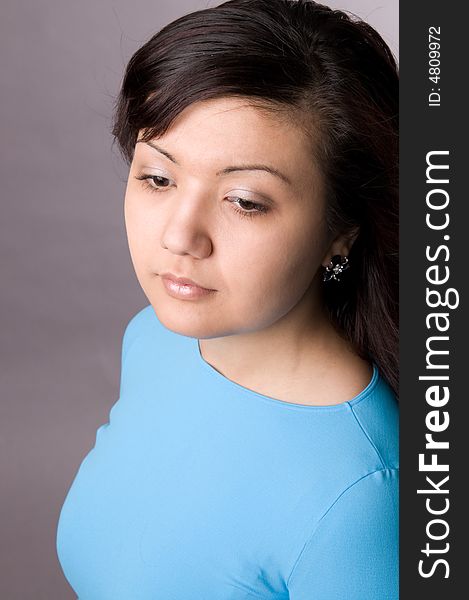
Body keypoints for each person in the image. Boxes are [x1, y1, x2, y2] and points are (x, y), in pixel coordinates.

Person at [56, 1, 399, 598]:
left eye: (245, 200)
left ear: (341, 227)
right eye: (158, 178)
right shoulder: (156, 338)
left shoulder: (363, 496)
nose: (179, 237)